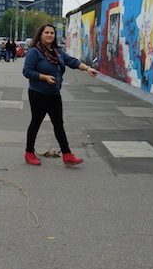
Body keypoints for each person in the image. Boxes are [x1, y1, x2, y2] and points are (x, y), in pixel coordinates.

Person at [22, 24, 97, 166]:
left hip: (54, 94)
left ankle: (67, 155)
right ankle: (29, 152)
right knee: (36, 123)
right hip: (38, 94)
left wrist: (87, 69)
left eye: (52, 33)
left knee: (58, 124)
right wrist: (44, 77)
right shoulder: (34, 52)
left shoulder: (57, 52)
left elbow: (72, 61)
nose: (49, 35)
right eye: (46, 32)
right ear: (41, 34)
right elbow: (27, 71)